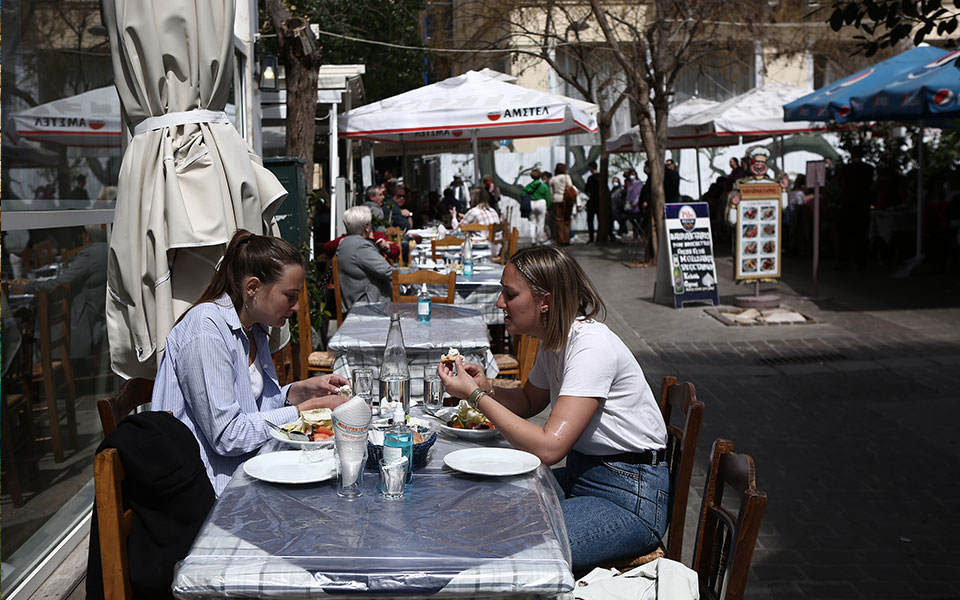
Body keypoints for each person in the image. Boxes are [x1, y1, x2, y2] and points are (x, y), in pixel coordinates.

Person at [436, 245, 669, 571]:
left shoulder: (590, 346)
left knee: (512, 548)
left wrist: (475, 396)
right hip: (583, 476)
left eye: (510, 294)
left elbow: (549, 448)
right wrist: (486, 385)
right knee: (478, 507)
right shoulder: (556, 339)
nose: (500, 303)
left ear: (545, 301)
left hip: (628, 497)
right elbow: (530, 402)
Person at [152, 230, 351, 495]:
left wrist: (296, 393)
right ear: (253, 287)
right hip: (208, 491)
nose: (296, 307)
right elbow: (228, 436)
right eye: (290, 295)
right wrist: (307, 410)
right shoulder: (206, 330)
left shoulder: (253, 329)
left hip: (252, 470)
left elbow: (255, 411)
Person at [336, 206, 395, 310]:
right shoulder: (361, 247)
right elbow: (388, 272)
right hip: (368, 306)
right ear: (367, 227)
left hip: (353, 302)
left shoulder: (344, 243)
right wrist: (414, 274)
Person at [458, 187, 502, 255]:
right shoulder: (493, 211)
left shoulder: (473, 212)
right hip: (496, 249)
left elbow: (458, 230)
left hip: (481, 250)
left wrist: (454, 218)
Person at [549, 163, 575, 245]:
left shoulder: (553, 179)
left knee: (558, 220)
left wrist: (551, 202)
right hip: (566, 200)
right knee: (566, 219)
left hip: (556, 200)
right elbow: (571, 187)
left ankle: (560, 240)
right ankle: (567, 239)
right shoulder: (566, 177)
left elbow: (551, 193)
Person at [523, 169, 550, 244]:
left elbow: (523, 193)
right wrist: (548, 207)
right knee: (540, 223)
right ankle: (540, 239)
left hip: (531, 203)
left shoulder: (529, 185)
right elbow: (547, 197)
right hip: (541, 203)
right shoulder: (544, 186)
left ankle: (533, 240)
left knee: (532, 223)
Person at [583, 161, 605, 244]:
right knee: (600, 219)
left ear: (591, 167)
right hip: (600, 202)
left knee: (590, 220)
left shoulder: (591, 178)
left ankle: (591, 238)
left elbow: (586, 189)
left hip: (592, 201)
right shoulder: (601, 177)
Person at [623, 169, 643, 239]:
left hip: (636, 205)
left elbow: (639, 193)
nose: (632, 176)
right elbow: (628, 193)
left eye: (633, 174)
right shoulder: (629, 184)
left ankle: (640, 234)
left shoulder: (638, 183)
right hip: (630, 204)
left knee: (638, 219)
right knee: (631, 219)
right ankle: (635, 235)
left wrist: (636, 201)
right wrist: (627, 201)